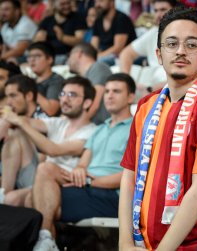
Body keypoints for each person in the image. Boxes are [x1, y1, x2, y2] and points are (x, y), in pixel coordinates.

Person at [118, 6, 197, 251]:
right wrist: (124, 243)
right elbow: (128, 177)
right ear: (159, 55)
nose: (181, 51)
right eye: (171, 44)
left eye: (192, 45)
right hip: (143, 244)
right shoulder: (145, 106)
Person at [32, 73, 136, 251]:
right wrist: (80, 169)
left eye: (116, 91)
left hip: (111, 196)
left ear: (130, 97)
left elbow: (132, 175)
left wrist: (91, 180)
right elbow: (83, 162)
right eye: (107, 91)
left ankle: (46, 240)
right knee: (45, 171)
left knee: (39, 203)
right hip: (86, 187)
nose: (109, 95)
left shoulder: (136, 128)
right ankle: (47, 240)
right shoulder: (100, 128)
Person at [1, 76, 96, 207]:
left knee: (12, 199)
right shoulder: (58, 122)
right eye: (62, 94)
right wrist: (8, 121)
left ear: (86, 103)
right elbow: (25, 121)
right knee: (16, 133)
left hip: (60, 182)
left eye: (72, 95)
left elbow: (54, 150)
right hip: (39, 174)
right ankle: (3, 192)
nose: (64, 99)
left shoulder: (92, 132)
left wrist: (18, 121)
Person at [0, 75, 47, 206]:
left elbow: (45, 158)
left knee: (16, 133)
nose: (8, 102)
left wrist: (6, 121)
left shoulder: (43, 119)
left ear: (29, 96)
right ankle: (3, 193)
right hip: (18, 176)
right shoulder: (15, 118)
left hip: (39, 178)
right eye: (7, 96)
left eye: (13, 96)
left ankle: (3, 194)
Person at [68, 42, 112, 124]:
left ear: (79, 54)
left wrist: (76, 125)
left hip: (99, 126)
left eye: (70, 55)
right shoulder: (83, 78)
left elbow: (94, 104)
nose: (68, 60)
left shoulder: (98, 67)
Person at [34, 0, 86, 64]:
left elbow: (81, 41)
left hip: (69, 56)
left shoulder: (78, 18)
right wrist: (39, 41)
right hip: (49, 56)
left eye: (68, 3)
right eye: (62, 4)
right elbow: (37, 41)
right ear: (54, 4)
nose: (66, 6)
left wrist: (63, 38)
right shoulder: (47, 21)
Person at [91, 0, 136, 65]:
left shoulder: (121, 19)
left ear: (112, 2)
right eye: (96, 2)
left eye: (101, 1)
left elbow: (117, 48)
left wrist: (99, 56)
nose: (97, 5)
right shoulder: (98, 20)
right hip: (103, 56)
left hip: (121, 58)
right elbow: (94, 46)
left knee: (99, 62)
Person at [27, 41, 64, 116]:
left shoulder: (56, 80)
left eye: (37, 56)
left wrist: (29, 89)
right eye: (30, 56)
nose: (32, 60)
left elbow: (51, 110)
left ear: (50, 59)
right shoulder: (31, 81)